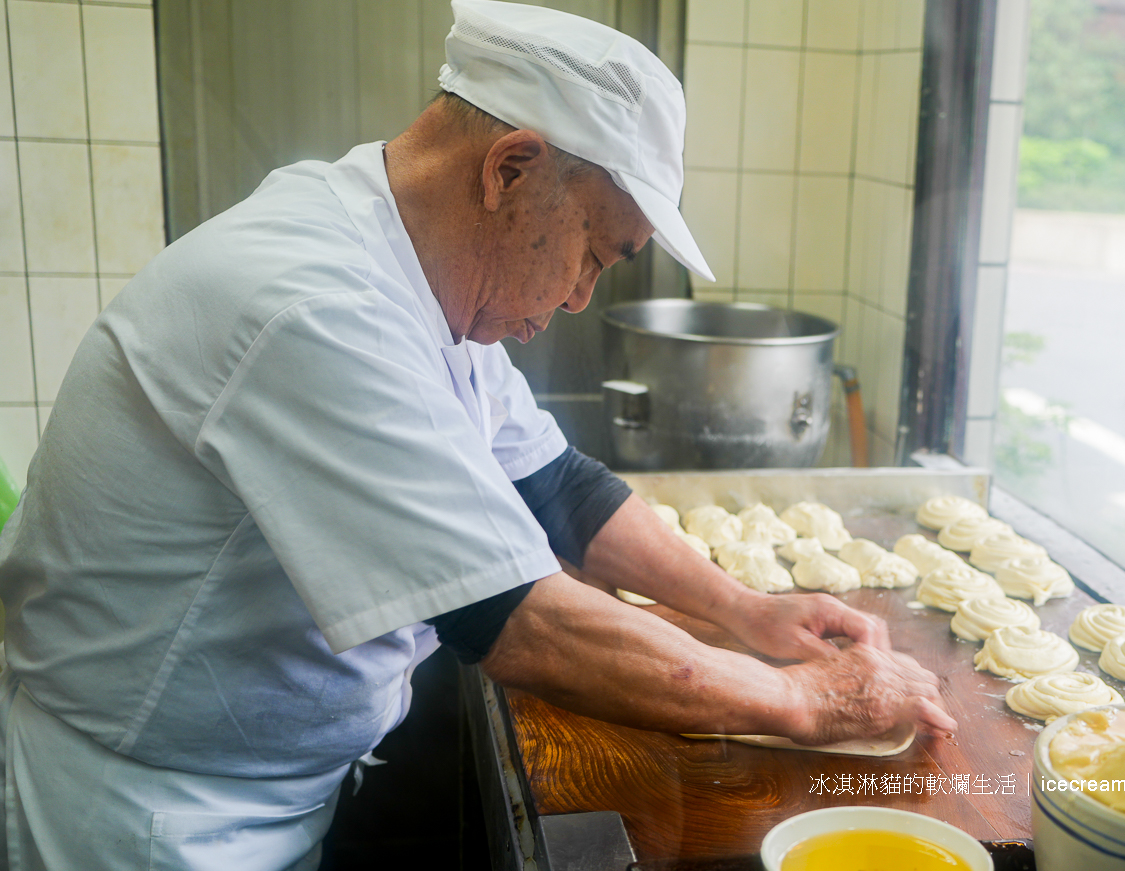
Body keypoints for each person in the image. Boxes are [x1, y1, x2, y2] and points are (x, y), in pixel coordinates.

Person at [0, 2, 954, 868]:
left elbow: (558, 486)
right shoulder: (310, 304)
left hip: (270, 786)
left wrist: (747, 611)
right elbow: (518, 622)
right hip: (156, 815)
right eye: (594, 250)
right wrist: (811, 703)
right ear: (510, 168)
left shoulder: (411, 273)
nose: (583, 295)